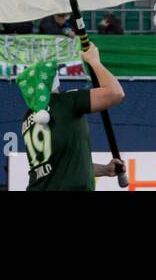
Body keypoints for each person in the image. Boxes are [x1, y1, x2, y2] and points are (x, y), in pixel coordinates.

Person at [19, 45, 124, 191]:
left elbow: (61, 167)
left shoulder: (27, 119)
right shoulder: (65, 102)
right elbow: (115, 93)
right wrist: (94, 62)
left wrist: (105, 170)